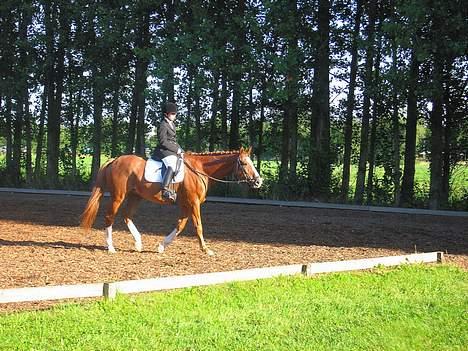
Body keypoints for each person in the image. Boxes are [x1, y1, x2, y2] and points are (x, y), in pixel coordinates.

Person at [151, 102, 183, 202]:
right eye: (172, 114)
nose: (175, 115)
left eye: (175, 114)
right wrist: (176, 150)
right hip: (163, 150)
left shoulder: (172, 124)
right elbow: (163, 142)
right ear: (166, 114)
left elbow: (173, 140)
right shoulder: (163, 125)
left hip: (170, 150)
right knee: (172, 165)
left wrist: (181, 150)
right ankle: (165, 189)